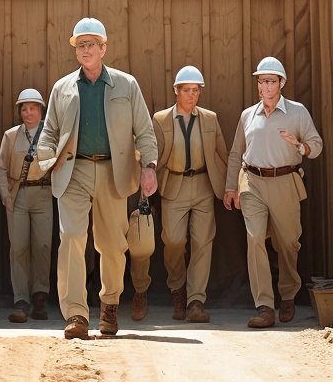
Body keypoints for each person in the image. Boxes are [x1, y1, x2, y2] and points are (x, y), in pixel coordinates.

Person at [37, 17, 158, 339]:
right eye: (80, 45)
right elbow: (48, 131)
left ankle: (109, 305)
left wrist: (149, 166)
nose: (85, 49)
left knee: (112, 245)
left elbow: (144, 131)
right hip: (72, 172)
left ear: (104, 48)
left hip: (112, 172)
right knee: (72, 237)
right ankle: (76, 314)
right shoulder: (62, 88)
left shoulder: (126, 84)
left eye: (91, 44)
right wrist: (47, 159)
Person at [223, 56, 323, 328]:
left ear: (281, 83)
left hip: (285, 182)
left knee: (289, 242)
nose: (265, 86)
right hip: (252, 183)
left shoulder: (297, 112)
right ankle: (265, 306)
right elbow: (235, 153)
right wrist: (231, 186)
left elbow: (317, 144)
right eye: (261, 81)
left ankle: (288, 294)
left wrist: (300, 146)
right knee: (255, 239)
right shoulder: (247, 115)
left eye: (270, 81)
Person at [147, 66, 228, 323]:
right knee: (173, 240)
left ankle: (195, 301)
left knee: (203, 242)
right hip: (174, 184)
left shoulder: (209, 118)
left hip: (204, 184)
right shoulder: (160, 119)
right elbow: (150, 153)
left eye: (196, 91)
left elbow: (221, 154)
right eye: (187, 91)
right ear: (176, 91)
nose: (192, 96)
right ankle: (177, 288)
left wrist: (229, 186)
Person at [0, 88, 53, 323]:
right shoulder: (11, 136)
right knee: (18, 246)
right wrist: (5, 194)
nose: (28, 112)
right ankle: (21, 299)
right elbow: (1, 168)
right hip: (18, 194)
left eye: (33, 108)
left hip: (43, 192)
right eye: (24, 108)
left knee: (43, 245)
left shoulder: (50, 135)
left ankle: (40, 295)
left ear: (41, 110)